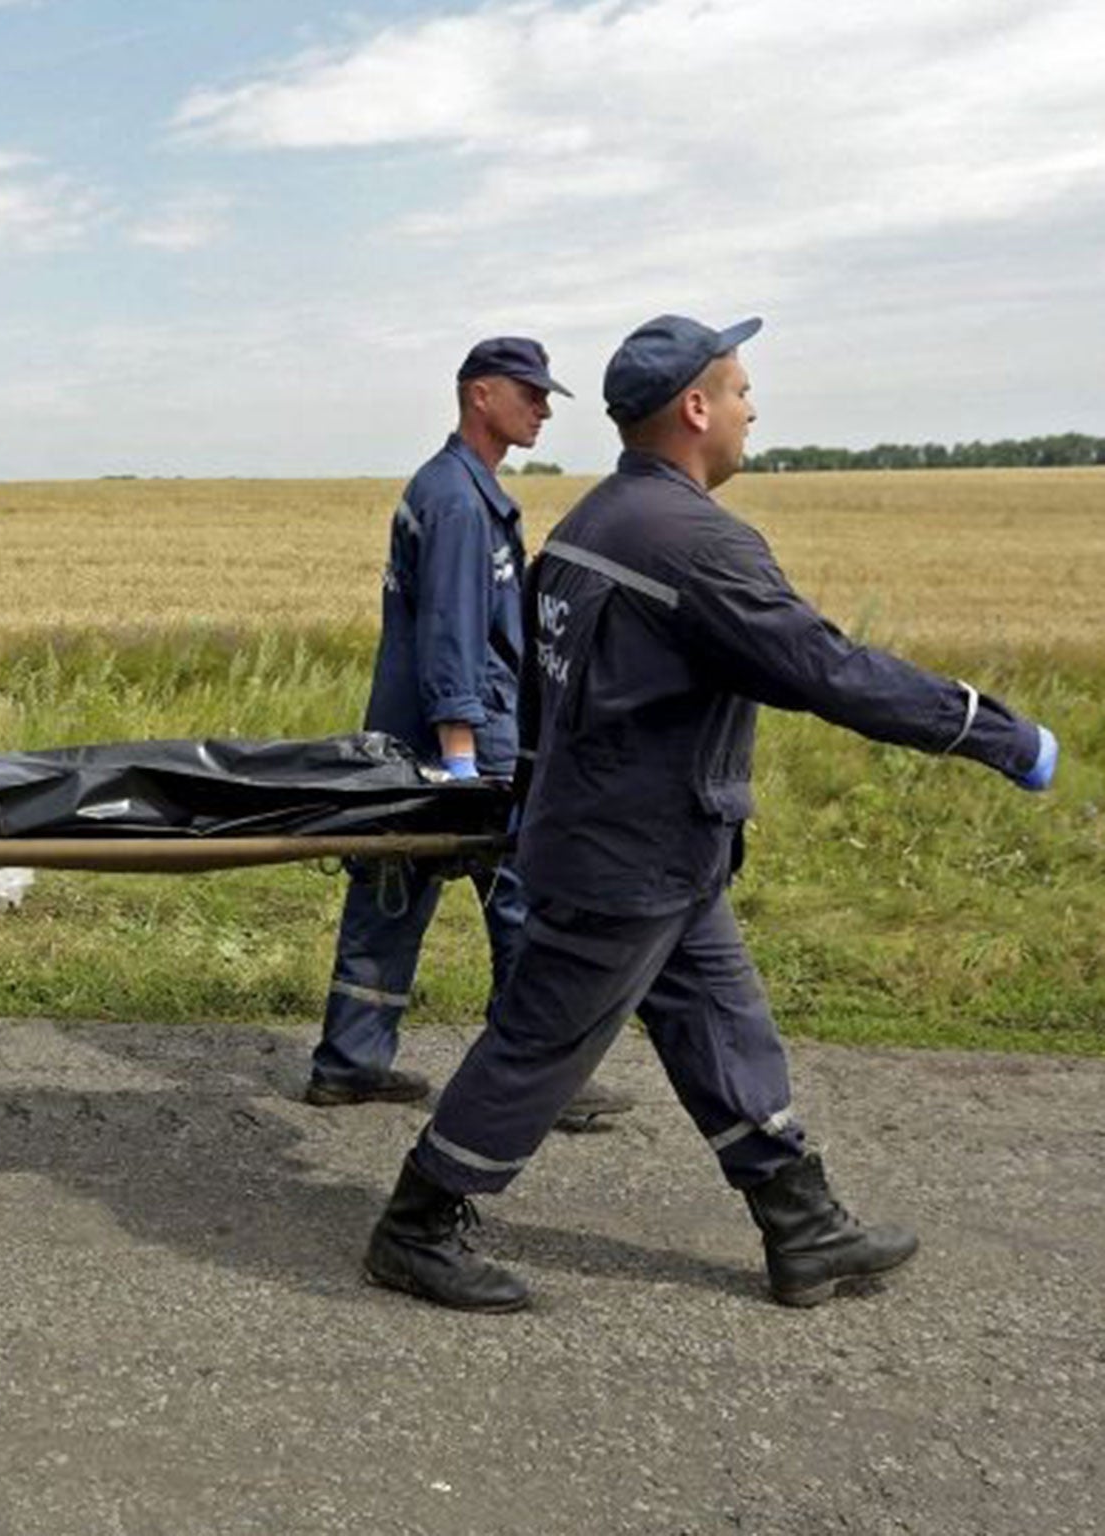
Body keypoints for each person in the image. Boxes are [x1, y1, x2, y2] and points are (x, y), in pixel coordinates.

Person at [361, 314, 1060, 1312]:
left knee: (724, 1026)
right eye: (738, 393)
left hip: (652, 844)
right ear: (693, 409)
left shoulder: (590, 525)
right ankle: (416, 1224)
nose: (750, 410)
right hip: (624, 855)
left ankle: (802, 1224)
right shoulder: (694, 545)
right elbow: (825, 669)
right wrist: (992, 733)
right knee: (541, 1040)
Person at [308, 338, 634, 1135]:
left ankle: (350, 1064)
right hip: (463, 741)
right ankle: (537, 1080)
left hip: (425, 736)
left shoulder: (458, 488)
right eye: (530, 393)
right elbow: (453, 635)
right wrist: (461, 759)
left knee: (393, 890)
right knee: (522, 900)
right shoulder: (457, 500)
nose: (545, 408)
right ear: (481, 395)